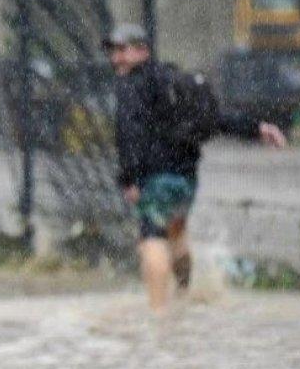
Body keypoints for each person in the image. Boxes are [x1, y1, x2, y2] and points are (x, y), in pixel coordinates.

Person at [105, 25, 287, 312]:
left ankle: (159, 314)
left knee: (152, 239)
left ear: (142, 51)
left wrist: (129, 178)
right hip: (186, 178)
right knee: (177, 235)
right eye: (112, 52)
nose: (116, 59)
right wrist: (257, 128)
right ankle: (182, 298)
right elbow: (214, 117)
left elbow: (129, 133)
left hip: (155, 177)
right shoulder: (175, 79)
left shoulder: (132, 85)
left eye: (123, 51)